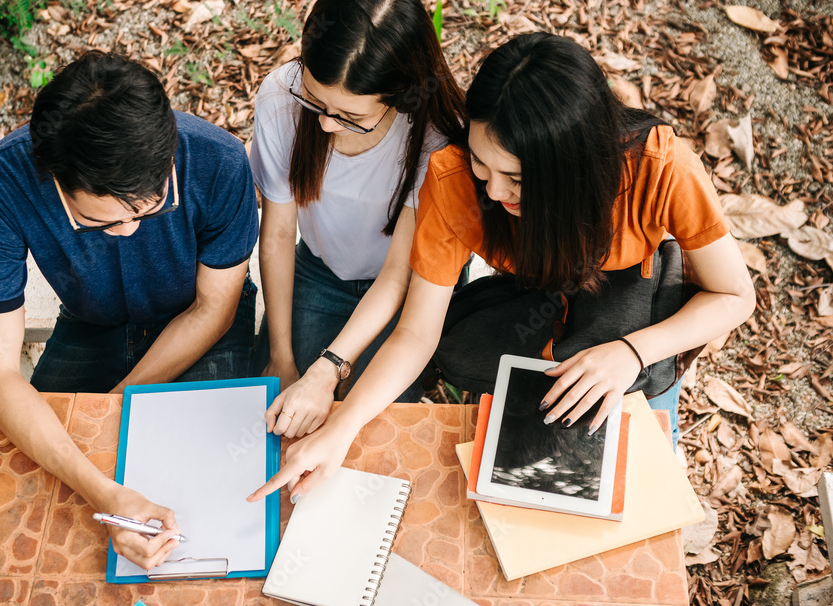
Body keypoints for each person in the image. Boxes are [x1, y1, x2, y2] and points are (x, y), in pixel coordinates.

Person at [249, 32, 755, 503]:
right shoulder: (452, 181)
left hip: (630, 299)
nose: (491, 192)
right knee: (495, 402)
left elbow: (734, 296)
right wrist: (342, 428)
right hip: (535, 293)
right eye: (480, 163)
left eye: (516, 178)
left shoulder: (659, 167)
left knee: (639, 473)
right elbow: (416, 333)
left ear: (573, 167)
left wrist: (630, 353)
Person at [0, 51, 258, 570]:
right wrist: (107, 493)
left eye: (149, 208)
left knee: (214, 499)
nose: (128, 232)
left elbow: (215, 308)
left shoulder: (219, 161)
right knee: (28, 509)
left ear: (169, 155)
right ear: (54, 176)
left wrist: (118, 401)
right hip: (90, 323)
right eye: (100, 222)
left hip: (201, 322)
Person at [250, 0, 464, 438]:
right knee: (280, 413)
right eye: (316, 102)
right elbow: (280, 232)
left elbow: (397, 274)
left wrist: (327, 368)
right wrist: (281, 356)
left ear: (402, 97)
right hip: (320, 271)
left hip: (404, 286)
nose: (326, 125)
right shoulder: (279, 99)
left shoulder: (433, 138)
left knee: (366, 428)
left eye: (351, 117)